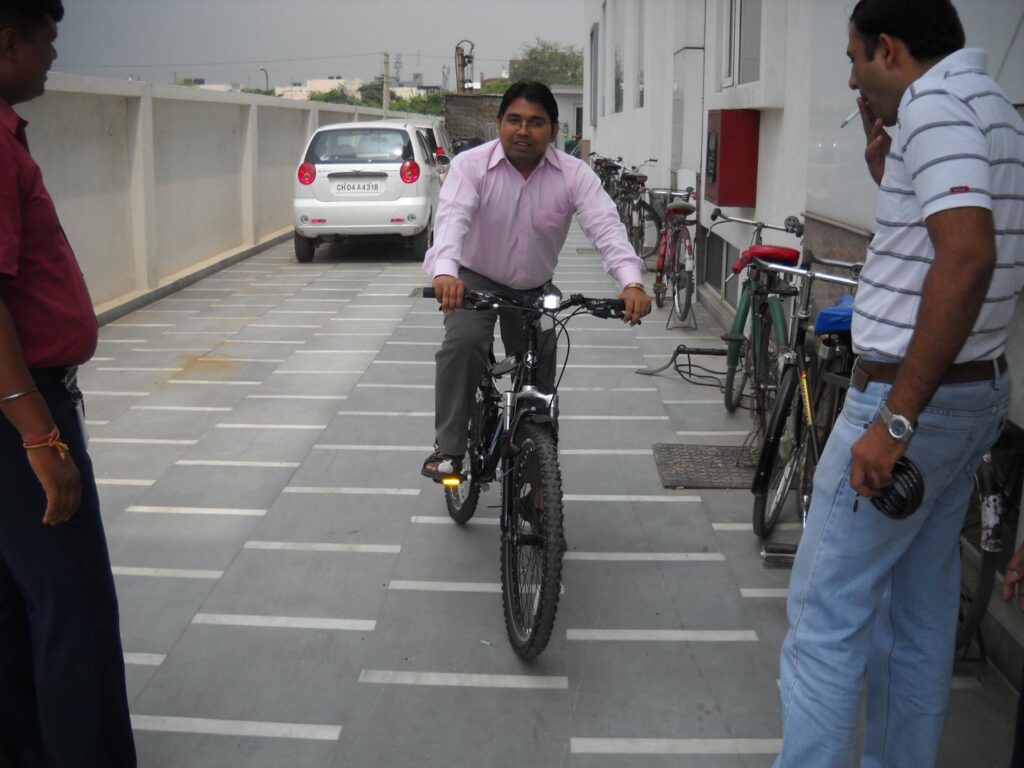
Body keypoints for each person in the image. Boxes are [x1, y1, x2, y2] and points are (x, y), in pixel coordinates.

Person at [775, 1, 1024, 766]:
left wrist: (898, 419)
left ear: (890, 49)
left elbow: (969, 255)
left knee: (825, 619)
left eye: (855, 59)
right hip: (976, 394)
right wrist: (891, 171)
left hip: (911, 401)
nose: (851, 77)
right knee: (915, 616)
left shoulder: (938, 107)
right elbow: (952, 236)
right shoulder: (994, 108)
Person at [0, 1, 137, 765]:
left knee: (20, 606)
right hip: (22, 411)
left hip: (20, 408)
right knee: (73, 610)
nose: (54, 56)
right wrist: (39, 436)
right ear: (9, 43)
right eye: (47, 42)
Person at [421, 80, 650, 480]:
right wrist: (446, 272)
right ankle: (450, 449)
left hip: (535, 287)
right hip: (474, 279)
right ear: (499, 124)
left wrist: (631, 282)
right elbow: (452, 219)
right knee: (465, 342)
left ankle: (538, 478)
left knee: (541, 369)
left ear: (554, 131)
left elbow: (605, 227)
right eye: (514, 120)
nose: (523, 130)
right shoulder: (470, 166)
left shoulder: (574, 174)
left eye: (535, 122)